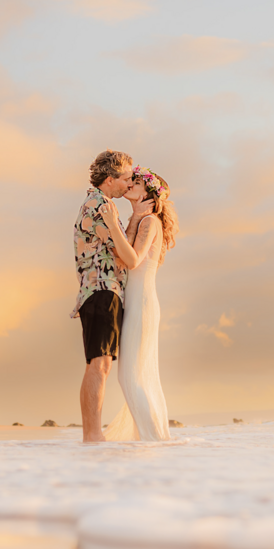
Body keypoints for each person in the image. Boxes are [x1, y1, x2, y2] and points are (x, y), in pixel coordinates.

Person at [104, 166, 179, 441]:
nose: (130, 185)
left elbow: (129, 257)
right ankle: (153, 437)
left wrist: (134, 219)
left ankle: (154, 438)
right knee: (138, 375)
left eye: (136, 182)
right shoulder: (142, 219)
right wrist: (134, 217)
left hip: (142, 302)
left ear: (148, 193)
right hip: (138, 301)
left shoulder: (150, 222)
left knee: (130, 376)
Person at [72, 150, 138, 443]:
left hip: (101, 290)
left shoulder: (102, 204)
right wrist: (115, 226)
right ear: (110, 179)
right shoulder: (100, 207)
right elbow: (129, 258)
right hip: (102, 290)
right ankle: (93, 435)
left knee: (100, 363)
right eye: (126, 178)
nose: (129, 183)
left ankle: (92, 434)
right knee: (99, 364)